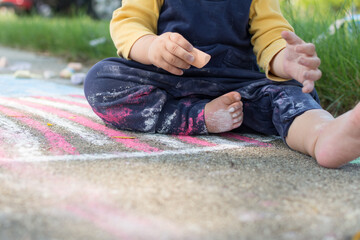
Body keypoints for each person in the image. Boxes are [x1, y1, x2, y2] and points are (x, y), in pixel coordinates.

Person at [84, 0, 360, 168]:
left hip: (238, 87)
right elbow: (129, 22)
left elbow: (271, 33)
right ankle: (200, 117)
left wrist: (284, 58)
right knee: (101, 80)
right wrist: (152, 46)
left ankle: (322, 136)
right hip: (171, 80)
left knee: (292, 92)